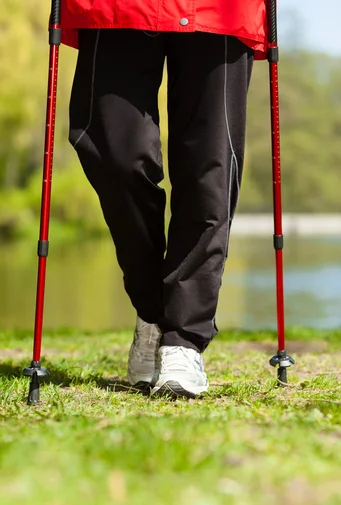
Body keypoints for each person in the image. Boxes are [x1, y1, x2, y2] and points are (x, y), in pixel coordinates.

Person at [62, 0, 268, 398]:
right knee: (113, 155)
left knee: (210, 169)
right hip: (116, 7)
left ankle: (182, 340)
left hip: (221, 10)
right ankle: (152, 310)